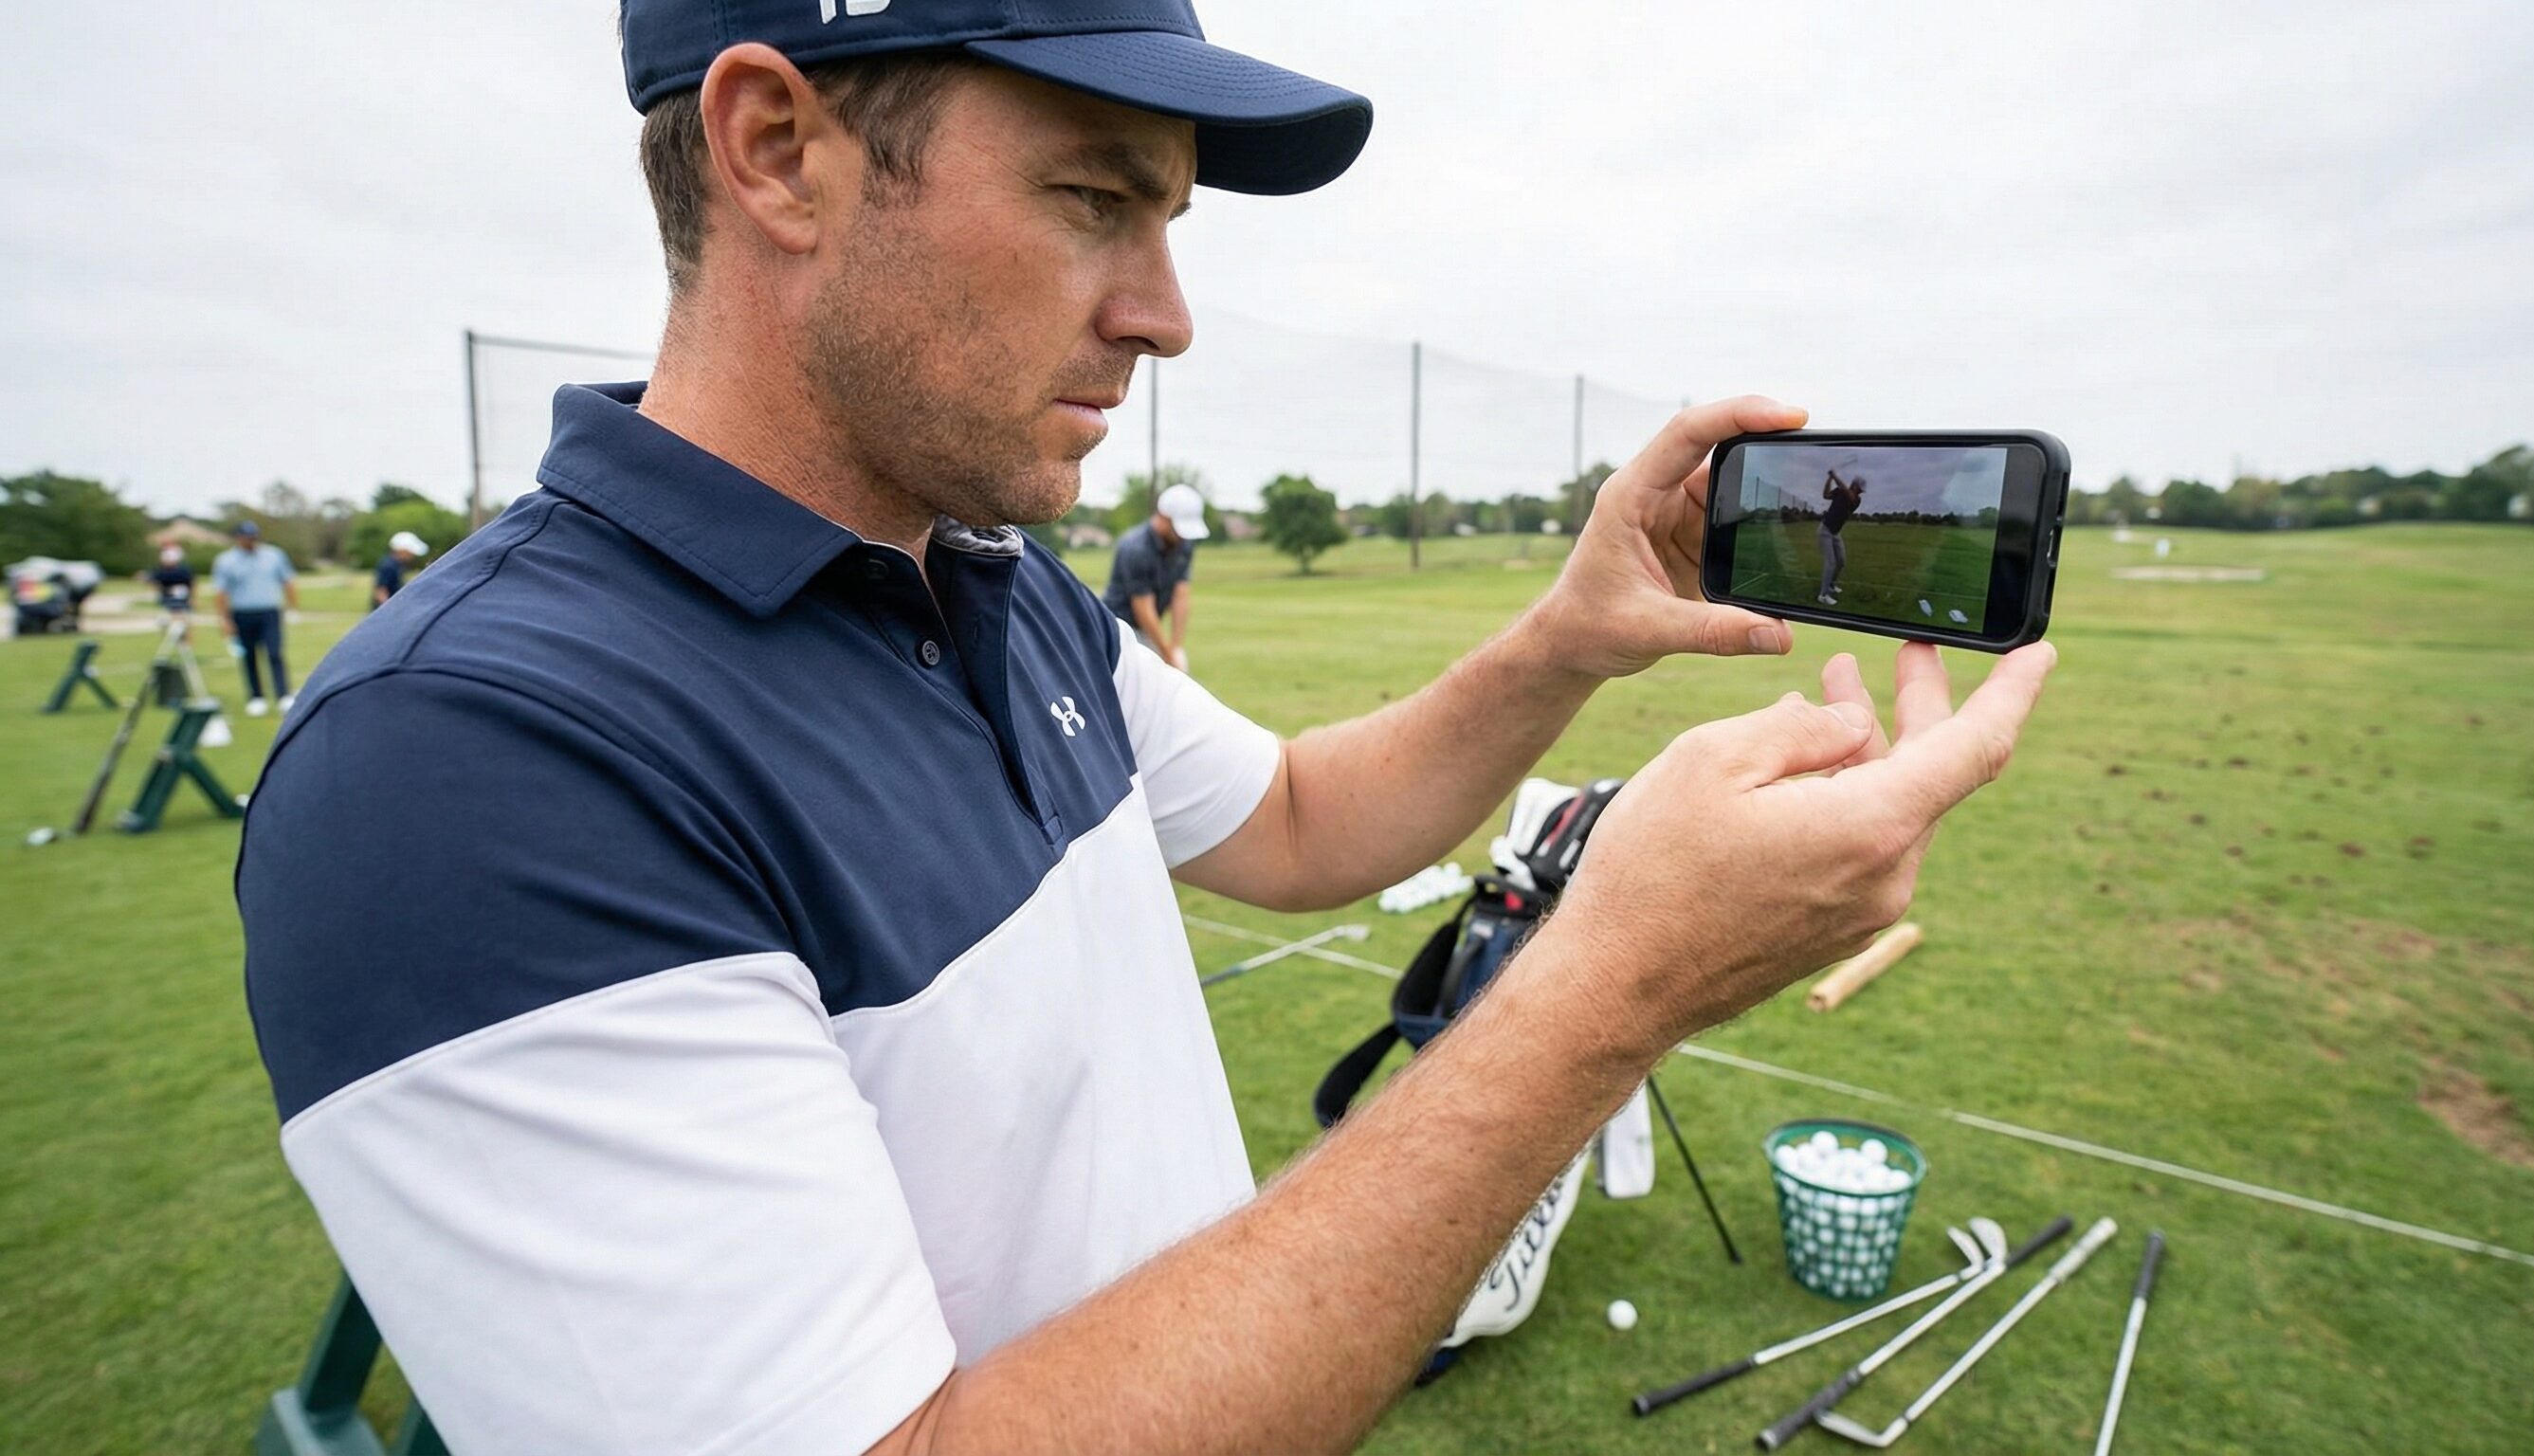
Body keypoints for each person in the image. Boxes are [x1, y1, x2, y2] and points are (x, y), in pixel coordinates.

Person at [236, 7, 2057, 1454]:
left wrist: (1562, 643)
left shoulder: (997, 580)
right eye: (1094, 198)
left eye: (1165, 219)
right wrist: (1608, 988)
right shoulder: (467, 763)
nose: (1163, 316)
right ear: (775, 149)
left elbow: (1286, 820)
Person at [1103, 482, 1207, 668]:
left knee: (1172, 674)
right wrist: (1166, 655)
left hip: (1147, 625)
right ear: (1164, 517)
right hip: (1121, 628)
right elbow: (1143, 608)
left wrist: (1175, 647)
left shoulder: (1183, 543)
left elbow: (1181, 594)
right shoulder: (1135, 548)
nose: (1183, 536)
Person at [211, 519, 298, 714]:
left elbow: (288, 581)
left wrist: (291, 608)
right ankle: (256, 696)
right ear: (238, 538)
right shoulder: (226, 560)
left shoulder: (274, 555)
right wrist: (224, 620)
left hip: (269, 612)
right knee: (249, 656)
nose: (251, 541)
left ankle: (283, 694)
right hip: (242, 613)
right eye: (246, 537)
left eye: (254, 537)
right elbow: (221, 593)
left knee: (275, 653)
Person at [1817, 466, 1866, 606]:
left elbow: (1848, 493)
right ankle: (1823, 595)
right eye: (1861, 488)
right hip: (1825, 530)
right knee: (1831, 563)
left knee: (1841, 561)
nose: (1862, 492)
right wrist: (1830, 478)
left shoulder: (1856, 500)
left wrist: (1835, 476)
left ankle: (1831, 585)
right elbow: (1825, 495)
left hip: (1836, 532)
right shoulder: (1840, 491)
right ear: (1856, 486)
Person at [148, 544, 197, 639]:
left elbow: (192, 583)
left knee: (182, 619)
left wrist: (192, 598)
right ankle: (175, 635)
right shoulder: (161, 571)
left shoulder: (183, 571)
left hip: (182, 600)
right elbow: (154, 582)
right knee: (173, 618)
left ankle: (182, 638)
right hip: (168, 599)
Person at [371, 531, 428, 611]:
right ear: (403, 551)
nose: (413, 556)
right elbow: (381, 592)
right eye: (411, 552)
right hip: (386, 613)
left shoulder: (397, 565)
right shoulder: (388, 566)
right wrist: (390, 610)